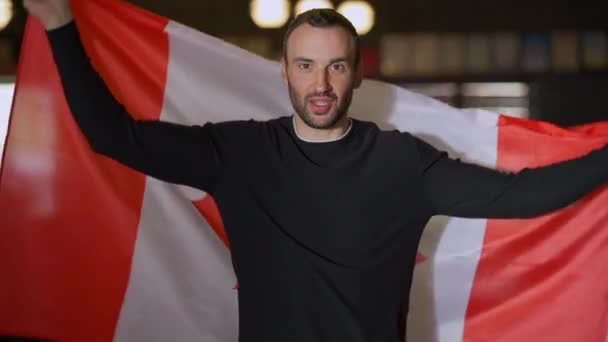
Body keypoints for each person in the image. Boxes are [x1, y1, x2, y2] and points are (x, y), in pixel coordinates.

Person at [24, 1, 608, 341]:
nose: (321, 84)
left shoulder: (403, 161)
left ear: (356, 74)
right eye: (306, 66)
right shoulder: (239, 152)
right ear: (284, 72)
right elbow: (111, 136)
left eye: (335, 68)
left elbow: (526, 196)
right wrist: (58, 26)